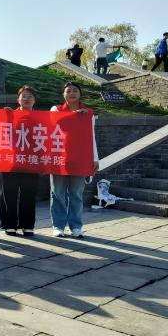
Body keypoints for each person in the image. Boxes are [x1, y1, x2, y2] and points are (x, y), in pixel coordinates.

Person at [50, 81, 99, 238]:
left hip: (80, 158)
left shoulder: (88, 114)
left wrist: (95, 158)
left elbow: (91, 136)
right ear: (63, 94)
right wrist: (75, 116)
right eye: (68, 91)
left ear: (80, 94)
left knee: (76, 193)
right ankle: (58, 226)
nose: (71, 93)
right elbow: (53, 123)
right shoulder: (56, 109)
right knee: (57, 193)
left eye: (75, 90)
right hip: (59, 157)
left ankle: (76, 226)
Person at [0, 85, 40, 236]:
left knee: (28, 194)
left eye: (30, 96)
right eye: (24, 96)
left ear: (35, 100)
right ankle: (9, 224)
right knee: (9, 193)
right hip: (11, 161)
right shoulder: (9, 115)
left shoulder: (41, 118)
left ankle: (27, 225)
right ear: (18, 100)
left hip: (31, 161)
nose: (27, 98)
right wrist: (4, 116)